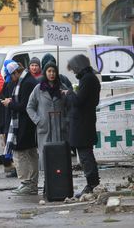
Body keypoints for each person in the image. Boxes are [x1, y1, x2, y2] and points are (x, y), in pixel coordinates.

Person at [63, 54, 100, 198]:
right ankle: (92, 183)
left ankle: (91, 184)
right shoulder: (90, 78)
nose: (74, 72)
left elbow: (78, 101)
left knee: (85, 156)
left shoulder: (88, 79)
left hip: (83, 124)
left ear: (78, 66)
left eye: (74, 69)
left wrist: (69, 92)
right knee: (86, 154)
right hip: (84, 122)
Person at [1, 61, 38, 195]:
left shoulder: (26, 83)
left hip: (24, 125)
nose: (12, 80)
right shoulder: (27, 80)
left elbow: (24, 106)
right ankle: (31, 183)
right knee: (31, 154)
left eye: (12, 76)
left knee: (21, 154)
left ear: (17, 72)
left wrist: (9, 104)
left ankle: (27, 183)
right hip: (28, 125)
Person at [27, 62, 68, 171]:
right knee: (46, 157)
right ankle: (48, 184)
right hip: (45, 128)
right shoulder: (38, 89)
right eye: (49, 71)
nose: (52, 74)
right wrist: (38, 120)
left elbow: (69, 106)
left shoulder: (62, 87)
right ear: (45, 73)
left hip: (60, 128)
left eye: (54, 71)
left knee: (60, 157)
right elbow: (30, 107)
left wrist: (66, 120)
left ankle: (60, 182)